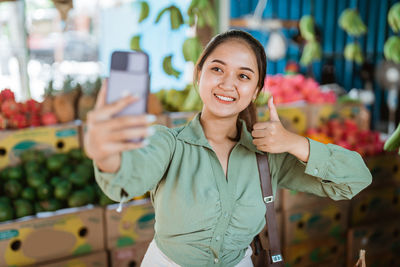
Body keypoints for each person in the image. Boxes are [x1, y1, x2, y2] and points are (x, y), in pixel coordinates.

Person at [84, 30, 372, 267]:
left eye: (244, 76)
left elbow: (356, 179)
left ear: (257, 90)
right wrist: (105, 152)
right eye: (217, 69)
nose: (227, 84)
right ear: (199, 74)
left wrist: (294, 143)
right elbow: (124, 180)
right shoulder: (168, 143)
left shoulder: (270, 153)